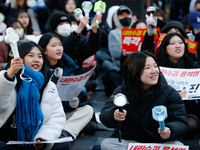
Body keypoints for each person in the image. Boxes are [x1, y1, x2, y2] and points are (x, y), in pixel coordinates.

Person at [100, 51, 189, 149]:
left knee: (178, 146)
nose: (154, 71)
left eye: (155, 66)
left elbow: (181, 122)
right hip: (129, 142)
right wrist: (113, 114)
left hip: (160, 143)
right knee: (106, 144)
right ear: (135, 72)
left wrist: (170, 130)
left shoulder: (169, 92)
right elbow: (104, 116)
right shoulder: (122, 91)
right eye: (147, 68)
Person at [0, 42, 69, 150]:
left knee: (63, 145)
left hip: (33, 140)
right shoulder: (6, 77)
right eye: (31, 56)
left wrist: (42, 139)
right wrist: (9, 76)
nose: (36, 60)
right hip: (6, 139)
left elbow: (56, 118)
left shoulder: (48, 85)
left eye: (40, 56)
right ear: (20, 58)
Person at [38, 33, 98, 140]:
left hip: (64, 112)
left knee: (88, 110)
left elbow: (77, 94)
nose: (59, 48)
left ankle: (65, 133)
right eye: (53, 45)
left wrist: (75, 102)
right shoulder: (39, 70)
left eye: (60, 45)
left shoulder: (68, 66)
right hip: (47, 113)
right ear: (44, 50)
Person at [156, 32, 200, 138]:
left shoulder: (193, 67)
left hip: (187, 110)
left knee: (192, 124)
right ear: (165, 48)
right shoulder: (157, 68)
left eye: (181, 43)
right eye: (172, 43)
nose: (178, 46)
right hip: (163, 111)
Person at [101, 5, 133, 95]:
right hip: (119, 69)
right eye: (121, 15)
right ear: (116, 17)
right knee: (112, 75)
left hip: (136, 67)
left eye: (127, 14)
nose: (125, 17)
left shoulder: (136, 31)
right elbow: (115, 53)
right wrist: (132, 49)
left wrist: (122, 47)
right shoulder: (113, 33)